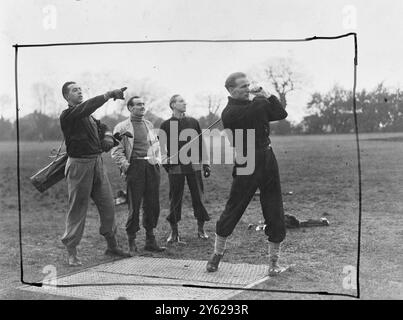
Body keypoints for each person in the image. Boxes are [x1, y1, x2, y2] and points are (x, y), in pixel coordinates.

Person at [206, 72, 289, 276]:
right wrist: (261, 98)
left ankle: (273, 261)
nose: (248, 89)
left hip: (267, 157)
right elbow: (256, 111)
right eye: (243, 86)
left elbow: (280, 113)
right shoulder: (229, 112)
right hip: (247, 160)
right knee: (234, 207)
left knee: (274, 208)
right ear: (230, 90)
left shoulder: (255, 103)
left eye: (248, 85)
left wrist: (267, 94)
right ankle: (217, 253)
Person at [59, 82, 130, 266]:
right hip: (79, 166)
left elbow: (103, 125)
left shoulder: (89, 116)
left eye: (80, 88)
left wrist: (107, 136)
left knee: (108, 206)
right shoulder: (68, 115)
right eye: (75, 90)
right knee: (78, 209)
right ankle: (72, 252)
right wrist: (107, 95)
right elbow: (86, 107)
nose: (79, 91)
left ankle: (112, 246)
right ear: (67, 97)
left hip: (97, 163)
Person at [111, 96, 165, 255]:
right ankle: (132, 241)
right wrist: (125, 165)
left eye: (143, 104)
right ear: (130, 108)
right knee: (134, 206)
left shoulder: (149, 124)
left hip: (151, 167)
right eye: (138, 104)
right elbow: (116, 150)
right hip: (135, 167)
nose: (142, 107)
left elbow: (155, 146)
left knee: (152, 204)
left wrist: (158, 160)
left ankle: (150, 240)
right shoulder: (121, 127)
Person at [159, 95, 211, 244]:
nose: (185, 103)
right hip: (175, 166)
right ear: (173, 105)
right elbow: (161, 148)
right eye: (181, 101)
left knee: (198, 197)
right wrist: (165, 162)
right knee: (175, 199)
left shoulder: (193, 122)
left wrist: (206, 163)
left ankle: (201, 230)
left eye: (184, 101)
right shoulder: (165, 125)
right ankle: (174, 232)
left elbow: (201, 144)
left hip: (194, 165)